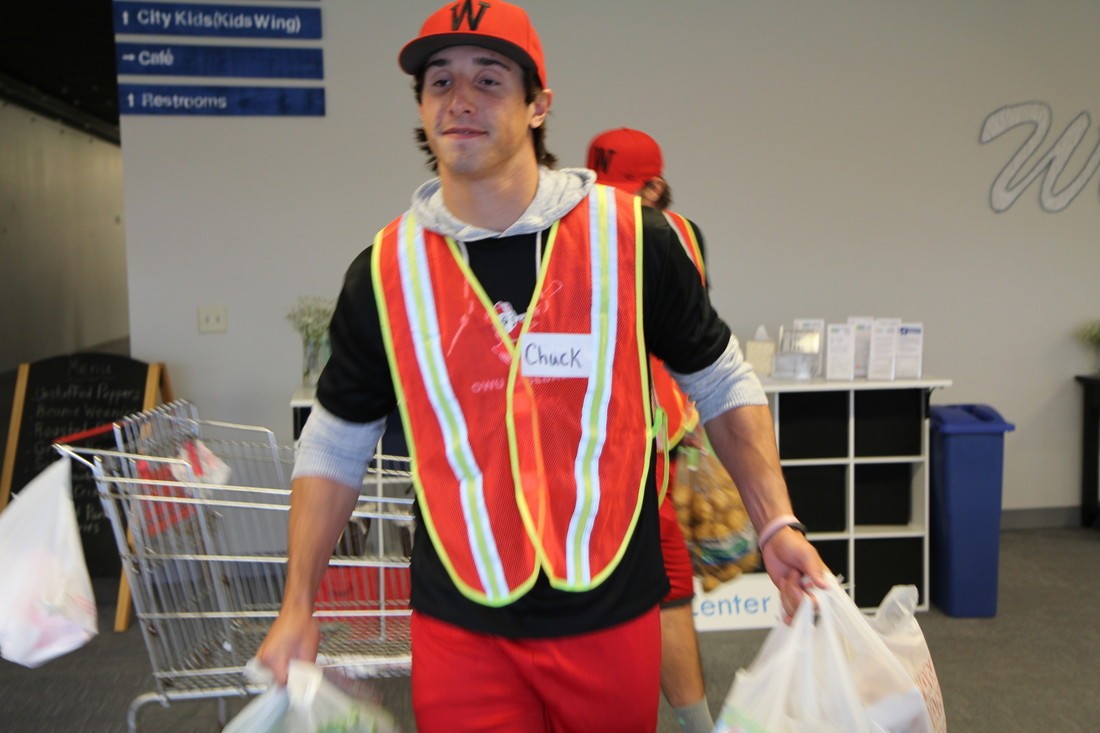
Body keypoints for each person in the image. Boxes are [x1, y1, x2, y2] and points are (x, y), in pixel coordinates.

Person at [258, 2, 827, 731]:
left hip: (610, 614)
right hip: (460, 624)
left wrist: (775, 522)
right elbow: (334, 442)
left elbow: (721, 380)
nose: (460, 99)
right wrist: (297, 605)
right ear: (422, 107)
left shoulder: (633, 239)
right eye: (440, 81)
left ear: (538, 105)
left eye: (489, 79)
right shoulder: (385, 271)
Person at [586, 127, 713, 733]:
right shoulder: (590, 230)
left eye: (625, 190)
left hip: (647, 440)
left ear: (656, 188)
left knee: (663, 585)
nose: (611, 202)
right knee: (645, 586)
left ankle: (696, 724)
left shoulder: (673, 239)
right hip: (611, 442)